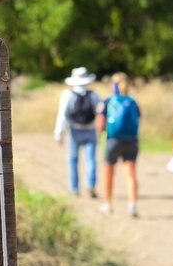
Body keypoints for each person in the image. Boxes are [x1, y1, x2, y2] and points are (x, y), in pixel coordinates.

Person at [95, 72, 140, 217]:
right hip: (131, 140)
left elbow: (100, 123)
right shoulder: (132, 101)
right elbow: (138, 120)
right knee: (130, 174)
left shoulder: (107, 101)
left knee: (108, 173)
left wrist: (101, 133)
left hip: (113, 139)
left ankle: (108, 204)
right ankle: (132, 204)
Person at [53, 67, 101, 198]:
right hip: (90, 130)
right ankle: (90, 183)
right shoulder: (94, 94)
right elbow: (100, 112)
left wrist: (58, 133)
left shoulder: (67, 94)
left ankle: (74, 188)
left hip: (74, 131)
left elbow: (62, 115)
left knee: (72, 160)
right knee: (90, 159)